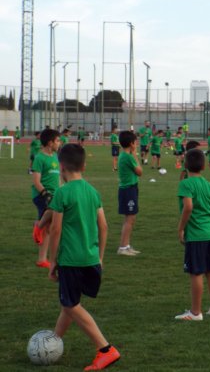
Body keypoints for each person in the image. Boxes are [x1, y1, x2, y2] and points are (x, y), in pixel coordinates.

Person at [47, 143, 121, 370]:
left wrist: (52, 262)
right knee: (70, 303)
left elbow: (56, 230)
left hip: (71, 260)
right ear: (84, 165)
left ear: (61, 167)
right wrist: (100, 258)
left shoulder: (62, 192)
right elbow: (104, 226)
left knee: (70, 305)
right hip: (90, 259)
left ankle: (106, 349)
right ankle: (53, 342)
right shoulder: (92, 191)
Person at [175, 149, 210, 321]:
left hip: (196, 235)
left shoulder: (185, 184)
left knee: (196, 273)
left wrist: (180, 228)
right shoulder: (208, 185)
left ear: (186, 165)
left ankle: (195, 313)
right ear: (203, 166)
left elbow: (188, 207)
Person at [31, 128, 61, 268]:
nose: (59, 143)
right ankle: (42, 259)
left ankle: (38, 225)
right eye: (57, 141)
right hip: (42, 195)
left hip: (54, 195)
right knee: (49, 227)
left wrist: (61, 191)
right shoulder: (39, 158)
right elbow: (36, 180)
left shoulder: (54, 156)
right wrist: (45, 193)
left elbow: (57, 178)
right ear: (50, 143)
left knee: (50, 227)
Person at [117, 131, 143, 256]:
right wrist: (135, 155)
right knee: (130, 218)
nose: (136, 144)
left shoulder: (125, 155)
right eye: (135, 142)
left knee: (130, 218)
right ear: (131, 143)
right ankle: (122, 247)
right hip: (128, 189)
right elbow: (139, 171)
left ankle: (126, 245)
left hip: (130, 189)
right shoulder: (128, 157)